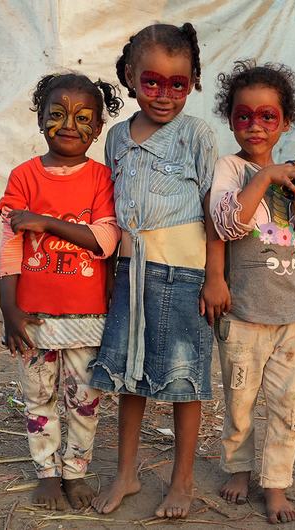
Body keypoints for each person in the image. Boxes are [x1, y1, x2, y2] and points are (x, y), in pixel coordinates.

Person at [89, 23, 229, 520]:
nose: (165, 95)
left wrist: (215, 277)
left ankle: (182, 480)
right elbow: (110, 209)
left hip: (184, 277)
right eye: (152, 82)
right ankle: (127, 473)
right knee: (129, 378)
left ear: (193, 81)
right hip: (129, 274)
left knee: (181, 381)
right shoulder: (116, 139)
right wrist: (108, 278)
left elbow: (216, 213)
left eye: (178, 83)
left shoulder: (197, 136)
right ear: (130, 76)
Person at [0, 73, 124, 510]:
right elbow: (11, 246)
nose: (70, 125)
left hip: (88, 316)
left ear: (98, 127)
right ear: (40, 120)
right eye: (57, 114)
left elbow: (106, 240)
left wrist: (47, 222)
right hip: (35, 316)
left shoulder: (101, 179)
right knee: (39, 395)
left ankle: (76, 471)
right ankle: (47, 474)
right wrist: (9, 310)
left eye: (83, 117)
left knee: (85, 400)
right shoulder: (24, 177)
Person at [208, 60, 295, 525]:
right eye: (243, 116)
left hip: (292, 314)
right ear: (230, 118)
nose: (255, 125)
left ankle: (276, 484)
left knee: (287, 406)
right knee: (239, 401)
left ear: (286, 122)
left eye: (267, 117)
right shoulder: (229, 168)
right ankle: (237, 468)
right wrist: (264, 177)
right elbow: (226, 223)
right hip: (243, 313)